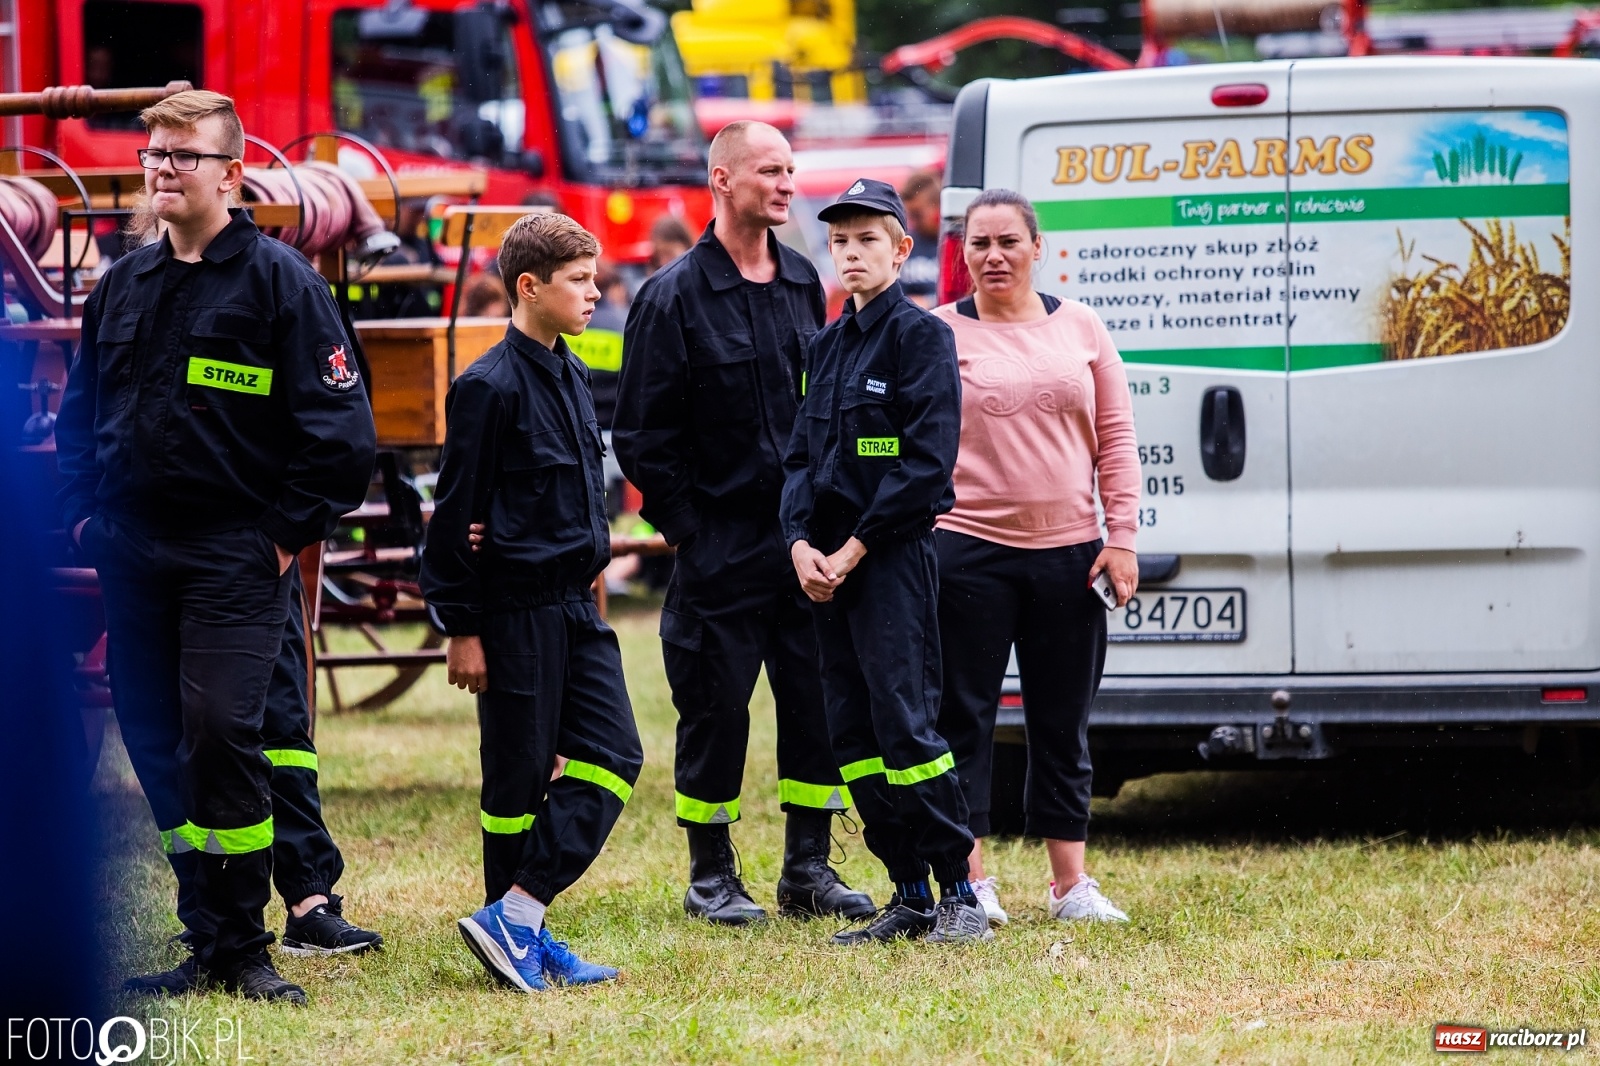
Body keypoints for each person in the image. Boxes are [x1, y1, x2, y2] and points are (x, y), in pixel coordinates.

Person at [56, 90, 377, 1003]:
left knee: (224, 734)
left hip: (235, 555)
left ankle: (244, 949)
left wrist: (280, 537)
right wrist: (86, 519)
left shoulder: (281, 283)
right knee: (157, 739)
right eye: (153, 152)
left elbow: (340, 432)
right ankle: (207, 933)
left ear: (231, 173)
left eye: (181, 154)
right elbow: (82, 418)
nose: (160, 166)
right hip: (133, 551)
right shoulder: (125, 285)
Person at [614, 121, 873, 925]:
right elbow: (641, 437)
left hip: (803, 540)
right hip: (720, 543)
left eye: (792, 170)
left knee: (813, 702)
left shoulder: (802, 280)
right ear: (722, 180)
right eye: (771, 170)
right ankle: (710, 877)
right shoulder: (670, 297)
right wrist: (690, 531)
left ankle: (808, 869)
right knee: (715, 709)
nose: (789, 184)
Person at [420, 213, 643, 992]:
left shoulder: (573, 374)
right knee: (515, 786)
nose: (595, 293)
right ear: (530, 286)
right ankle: (517, 933)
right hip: (512, 614)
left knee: (617, 757)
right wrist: (461, 629)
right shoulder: (487, 388)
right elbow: (452, 523)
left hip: (576, 611)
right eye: (580, 281)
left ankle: (518, 912)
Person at [780, 178, 988, 946]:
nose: (851, 252)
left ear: (902, 249)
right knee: (853, 735)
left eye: (867, 239)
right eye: (839, 241)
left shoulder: (921, 338)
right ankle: (907, 892)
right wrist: (800, 544)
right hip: (824, 572)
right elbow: (800, 458)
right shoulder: (827, 347)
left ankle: (959, 893)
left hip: (889, 561)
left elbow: (925, 466)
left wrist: (853, 548)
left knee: (906, 728)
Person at [932, 188, 1140, 926]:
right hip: (966, 553)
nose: (993, 256)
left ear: (1036, 247)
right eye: (978, 243)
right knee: (963, 720)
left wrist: (1122, 538)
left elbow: (1115, 440)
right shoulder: (935, 333)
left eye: (1007, 242)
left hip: (1072, 559)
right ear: (961, 253)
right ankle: (972, 882)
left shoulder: (1082, 327)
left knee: (1062, 723)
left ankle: (1070, 885)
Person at [897, 168, 942, 305]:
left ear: (938, 208)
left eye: (917, 214)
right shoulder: (903, 246)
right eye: (909, 215)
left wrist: (929, 302)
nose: (912, 222)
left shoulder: (960, 245)